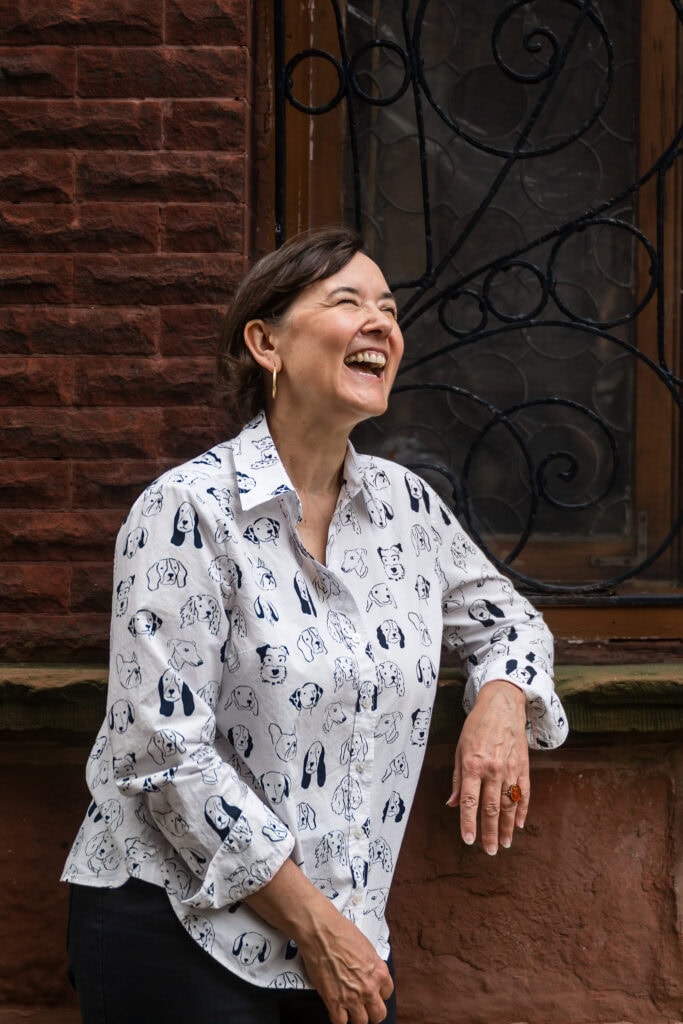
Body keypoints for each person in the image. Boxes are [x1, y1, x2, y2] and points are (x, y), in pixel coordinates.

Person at [63, 226, 568, 1024]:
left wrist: (501, 702)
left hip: (349, 940)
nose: (381, 324)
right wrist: (315, 926)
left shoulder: (405, 507)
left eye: (389, 309)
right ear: (264, 342)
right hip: (183, 933)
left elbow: (510, 625)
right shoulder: (186, 511)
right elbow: (163, 754)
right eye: (347, 302)